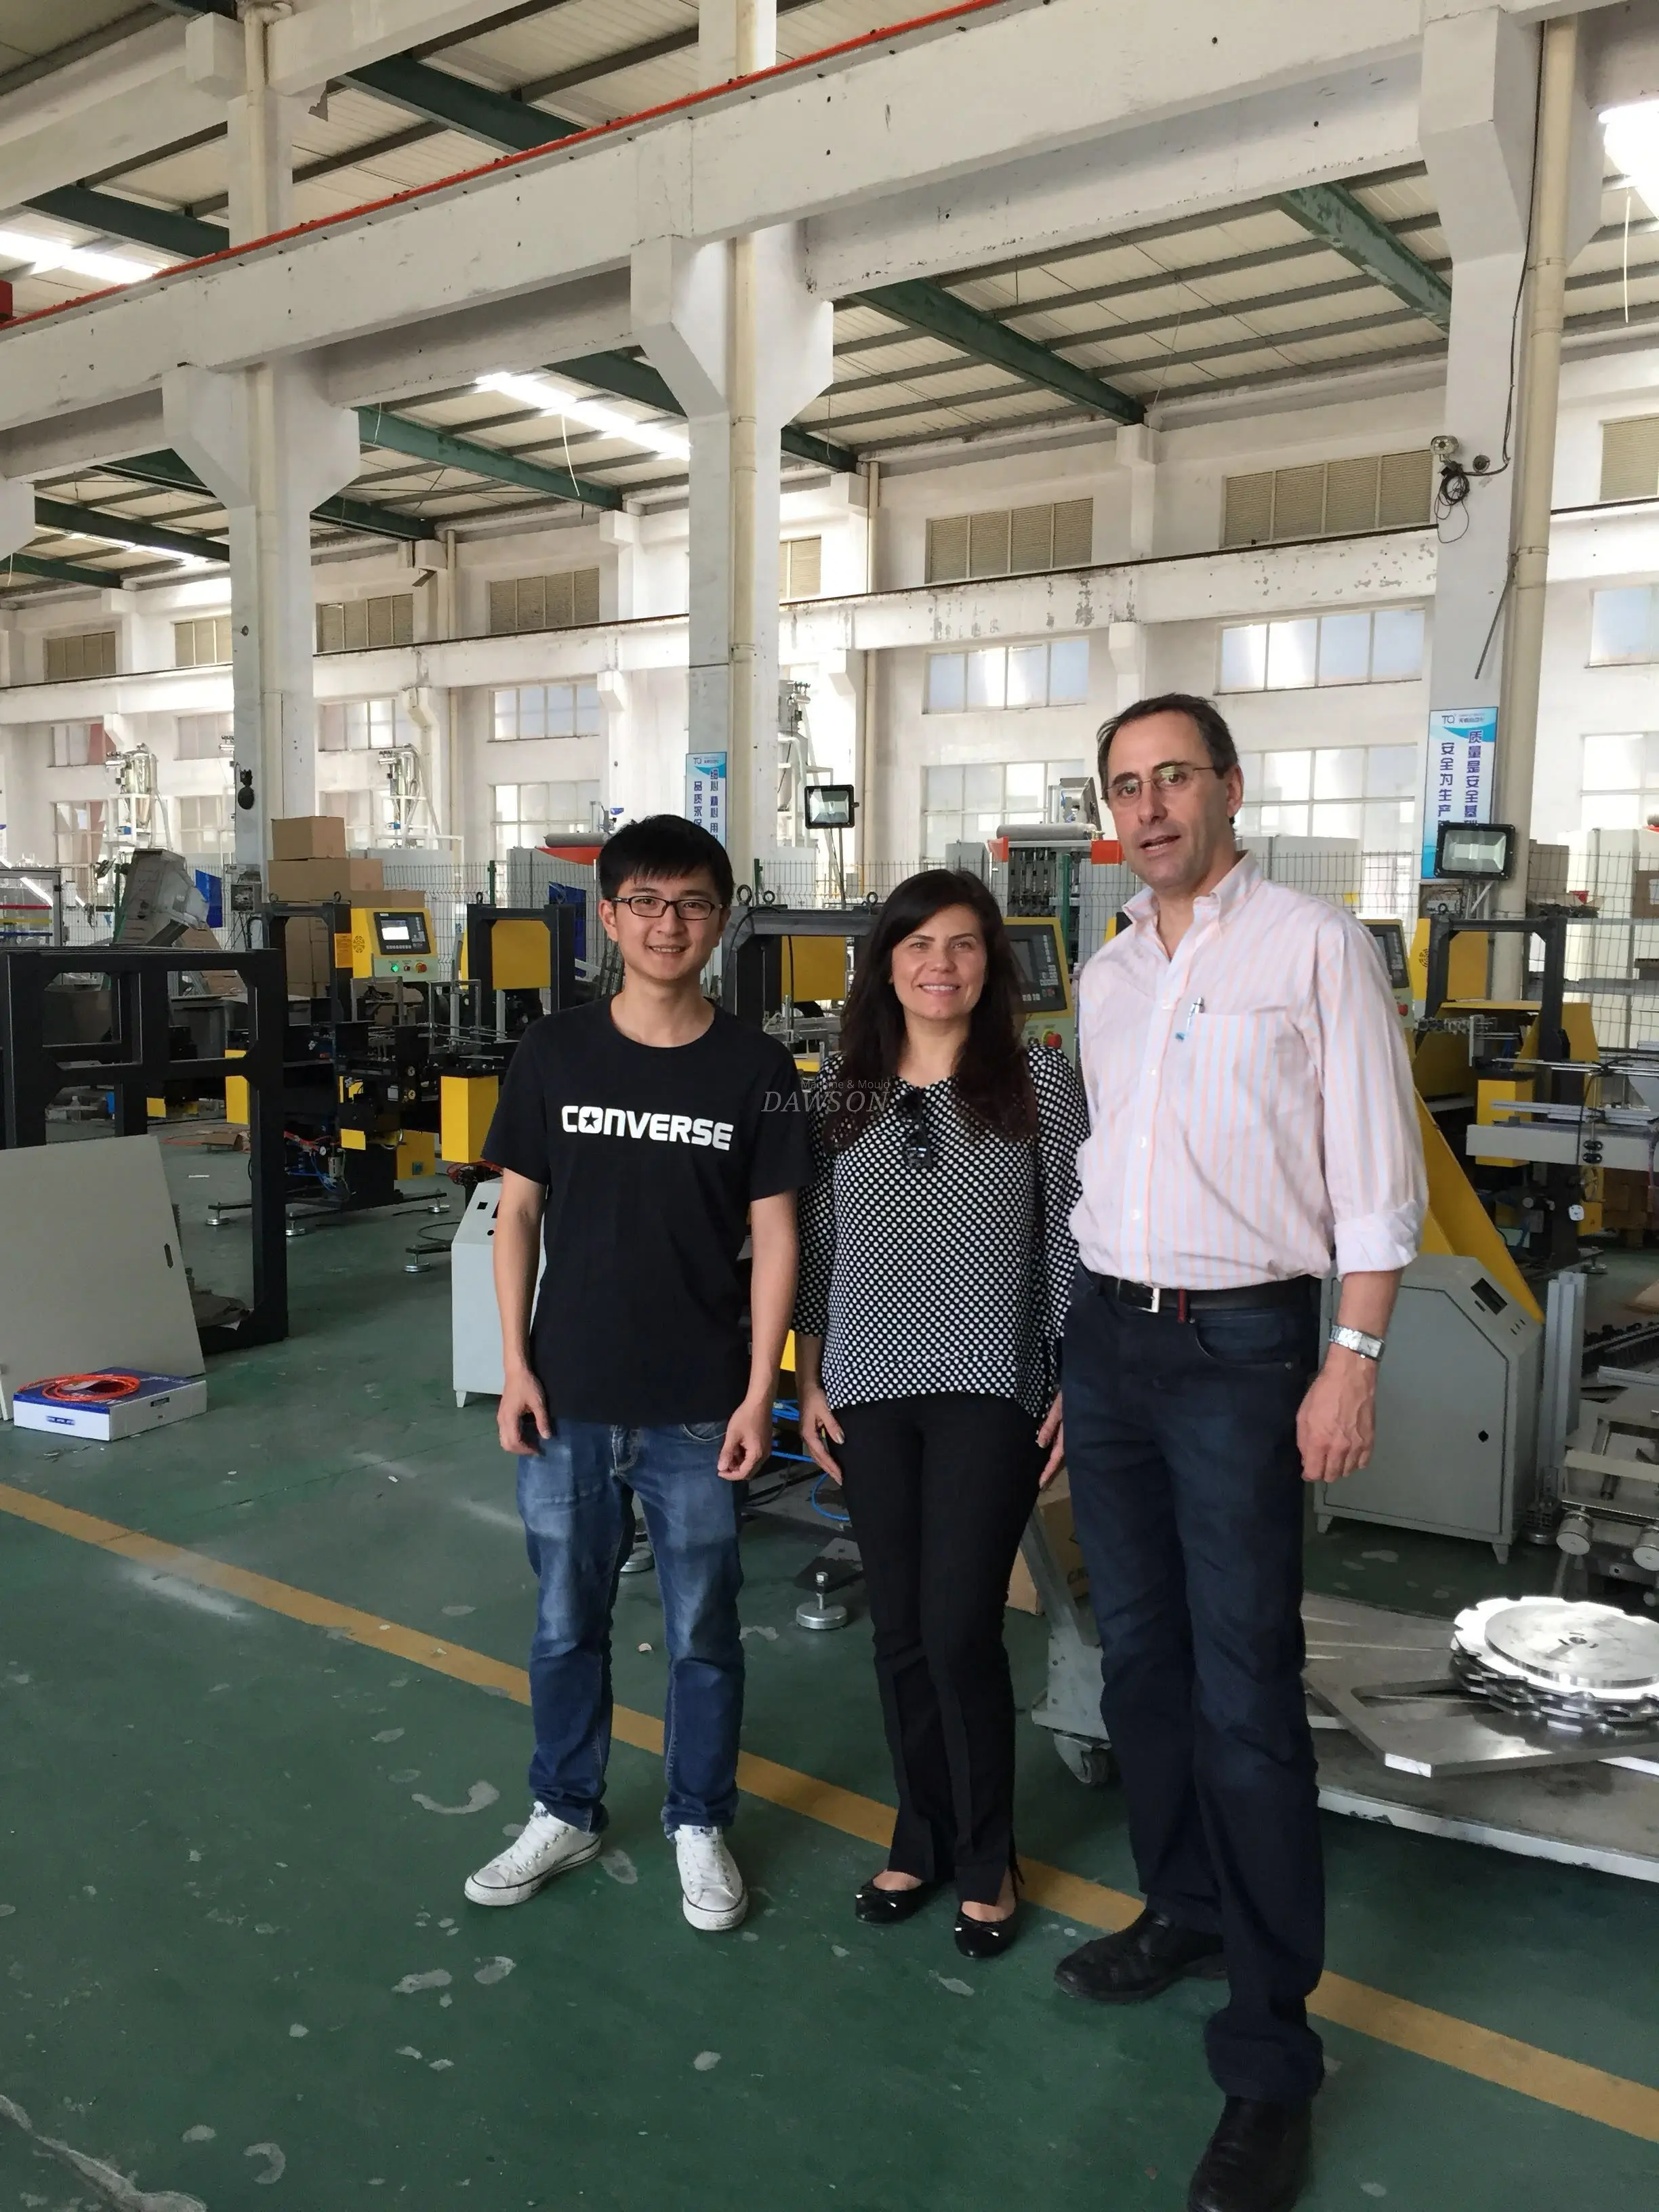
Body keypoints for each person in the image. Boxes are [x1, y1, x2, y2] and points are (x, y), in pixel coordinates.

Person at [1052, 696, 1425, 2212]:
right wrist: (1077, 1351)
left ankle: (1271, 2059)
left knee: (1246, 1690)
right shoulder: (1106, 974)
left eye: (1173, 779)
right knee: (1139, 1662)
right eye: (1125, 787)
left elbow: (1377, 1177)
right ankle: (1186, 1904)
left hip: (1245, 1349)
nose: (1149, 809)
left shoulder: (1315, 948)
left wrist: (1354, 1359)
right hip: (1111, 1340)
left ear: (1229, 789)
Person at [463, 814, 808, 1935]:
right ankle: (564, 1807)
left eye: (693, 904)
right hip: (566, 1398)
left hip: (700, 1408)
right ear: (608, 918)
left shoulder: (756, 1069)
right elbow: (518, 1214)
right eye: (647, 904)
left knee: (705, 1627)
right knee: (566, 1622)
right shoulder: (554, 1052)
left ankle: (698, 1820)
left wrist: (758, 1391)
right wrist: (515, 1365)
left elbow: (779, 1237)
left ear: (721, 920)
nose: (670, 925)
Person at [793, 869, 1089, 1960]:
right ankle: (917, 1838)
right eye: (918, 944)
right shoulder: (845, 1086)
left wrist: (1072, 1378)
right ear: (886, 963)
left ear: (990, 964)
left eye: (963, 944)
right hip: (867, 1388)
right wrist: (808, 1376)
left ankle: (986, 1858)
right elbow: (820, 1241)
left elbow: (1071, 1234)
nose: (940, 965)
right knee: (902, 1632)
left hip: (988, 1386)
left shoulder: (1037, 1082)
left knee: (961, 1627)